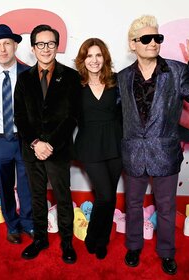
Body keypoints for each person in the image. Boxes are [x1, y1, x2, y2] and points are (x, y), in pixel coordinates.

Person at [118, 15, 189, 275]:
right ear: (132, 44)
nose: (153, 43)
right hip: (133, 152)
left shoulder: (177, 70)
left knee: (167, 207)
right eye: (146, 39)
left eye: (157, 38)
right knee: (133, 204)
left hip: (165, 152)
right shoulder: (122, 77)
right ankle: (134, 245)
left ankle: (167, 253)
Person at [14, 24, 81, 264]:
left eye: (50, 43)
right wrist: (35, 143)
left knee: (63, 197)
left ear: (57, 46)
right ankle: (40, 239)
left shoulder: (71, 76)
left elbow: (72, 116)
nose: (46, 49)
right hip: (32, 151)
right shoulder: (24, 79)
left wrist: (49, 143)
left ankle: (67, 243)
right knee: (37, 196)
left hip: (58, 149)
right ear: (33, 48)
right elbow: (20, 117)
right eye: (40, 44)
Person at [0, 24, 33, 244]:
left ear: (15, 46)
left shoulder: (29, 73)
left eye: (7, 44)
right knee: (4, 187)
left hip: (24, 140)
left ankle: (28, 224)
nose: (3, 49)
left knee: (27, 186)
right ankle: (12, 225)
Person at [74, 38, 122, 259]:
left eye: (98, 55)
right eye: (89, 56)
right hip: (90, 147)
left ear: (105, 58)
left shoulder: (117, 81)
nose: (94, 60)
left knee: (109, 196)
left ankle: (100, 239)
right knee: (104, 195)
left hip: (115, 144)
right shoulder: (75, 85)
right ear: (83, 60)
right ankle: (92, 236)